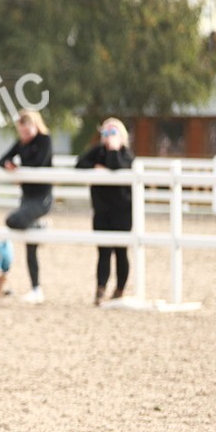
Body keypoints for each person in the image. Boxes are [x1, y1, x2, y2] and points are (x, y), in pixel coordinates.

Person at [0, 110, 54, 304]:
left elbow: (38, 163)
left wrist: (16, 166)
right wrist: (9, 164)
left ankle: (40, 226)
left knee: (12, 220)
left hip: (42, 199)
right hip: (27, 198)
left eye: (27, 130)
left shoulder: (45, 140)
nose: (25, 135)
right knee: (30, 245)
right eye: (22, 131)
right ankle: (36, 288)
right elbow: (1, 160)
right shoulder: (22, 143)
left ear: (35, 125)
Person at [77, 118, 134, 305]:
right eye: (105, 133)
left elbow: (117, 166)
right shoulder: (96, 152)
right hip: (102, 210)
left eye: (112, 133)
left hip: (122, 211)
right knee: (103, 252)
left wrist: (114, 150)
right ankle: (100, 289)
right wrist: (95, 167)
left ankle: (119, 290)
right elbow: (79, 164)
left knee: (121, 252)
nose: (108, 137)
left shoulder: (126, 154)